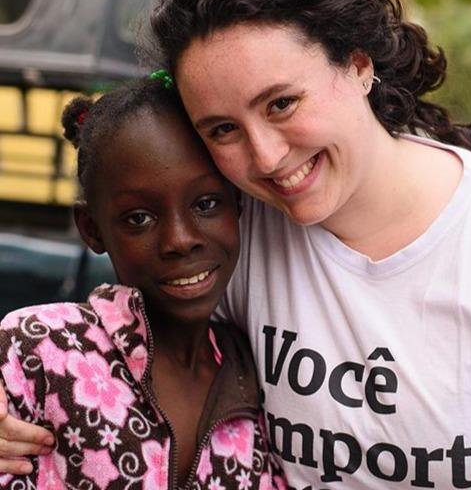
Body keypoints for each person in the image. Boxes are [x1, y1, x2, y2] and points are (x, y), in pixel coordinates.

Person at [2, 0, 471, 489]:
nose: (266, 156)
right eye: (223, 128)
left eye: (282, 102)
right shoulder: (233, 235)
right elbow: (102, 353)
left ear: (359, 66)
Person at [0, 77, 285, 488]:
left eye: (206, 204)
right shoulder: (42, 350)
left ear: (237, 204)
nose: (180, 240)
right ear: (93, 229)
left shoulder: (257, 380)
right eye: (139, 218)